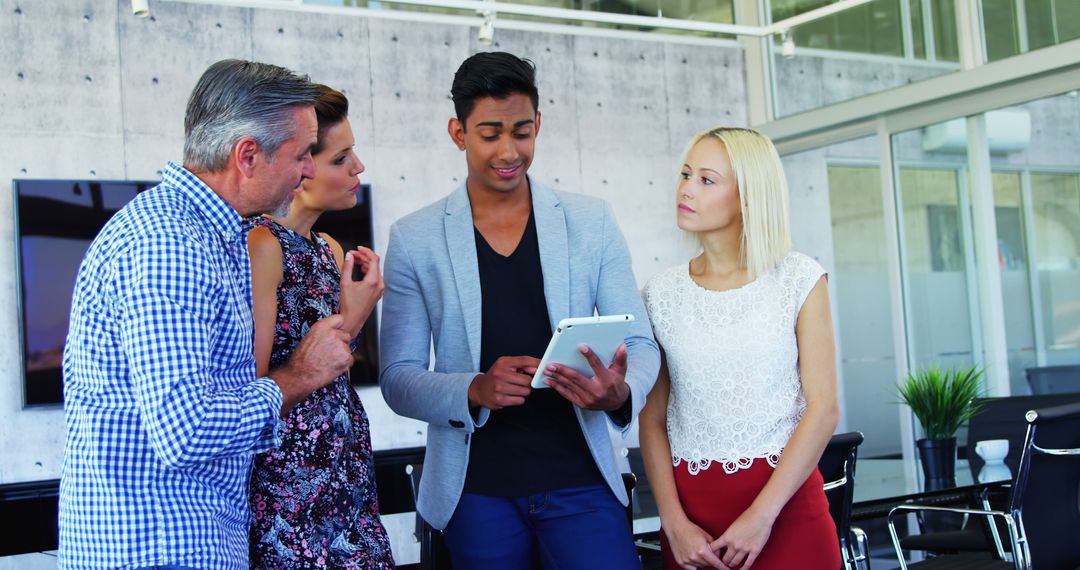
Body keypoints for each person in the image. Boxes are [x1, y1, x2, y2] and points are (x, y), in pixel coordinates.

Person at [59, 60, 355, 570]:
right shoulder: (169, 245)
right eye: (303, 153)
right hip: (156, 551)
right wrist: (298, 376)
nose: (309, 169)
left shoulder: (207, 235)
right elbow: (188, 430)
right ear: (246, 155)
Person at [379, 51, 660, 570]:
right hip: (476, 492)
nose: (509, 151)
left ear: (538, 125)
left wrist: (620, 393)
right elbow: (397, 377)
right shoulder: (415, 238)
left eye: (522, 132)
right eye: (490, 134)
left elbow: (640, 344)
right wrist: (473, 388)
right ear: (458, 133)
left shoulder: (590, 221)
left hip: (584, 481)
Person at [640, 127, 841, 570]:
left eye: (706, 180)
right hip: (694, 531)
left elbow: (824, 408)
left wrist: (761, 516)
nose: (685, 190)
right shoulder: (659, 294)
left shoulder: (799, 280)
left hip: (787, 514)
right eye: (686, 175)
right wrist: (672, 523)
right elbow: (652, 419)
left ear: (748, 197)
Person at [246, 84, 394, 568]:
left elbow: (335, 370)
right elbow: (253, 385)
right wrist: (354, 315)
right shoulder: (262, 246)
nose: (359, 169)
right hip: (289, 477)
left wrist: (356, 313)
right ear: (303, 170)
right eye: (342, 158)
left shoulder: (328, 248)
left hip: (343, 463)